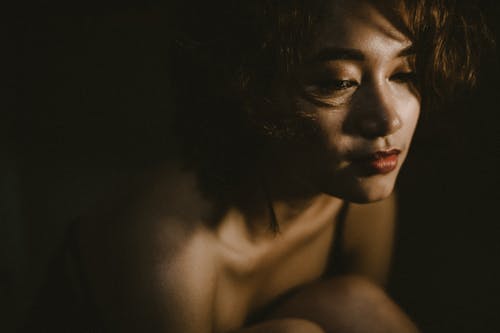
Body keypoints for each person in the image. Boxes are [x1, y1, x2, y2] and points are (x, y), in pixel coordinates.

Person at [23, 0, 491, 332]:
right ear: (254, 92)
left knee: (354, 304)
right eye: (338, 82)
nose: (387, 118)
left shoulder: (356, 192)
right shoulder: (171, 255)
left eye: (403, 74)